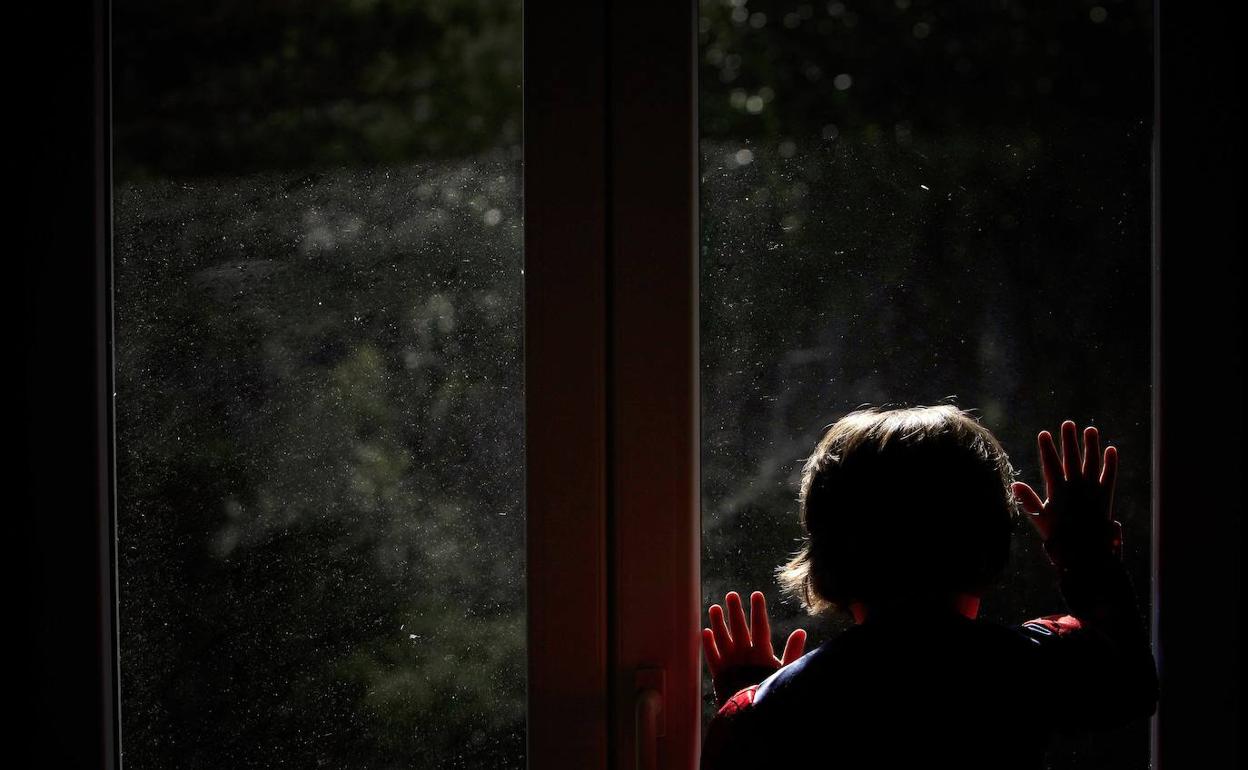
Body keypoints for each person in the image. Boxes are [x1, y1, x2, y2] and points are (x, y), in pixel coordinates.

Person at [699, 406, 1158, 769]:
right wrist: (1083, 549)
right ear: (990, 541)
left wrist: (752, 706)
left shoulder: (767, 713)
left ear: (828, 550)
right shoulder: (1031, 664)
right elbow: (1130, 686)